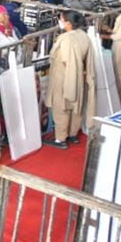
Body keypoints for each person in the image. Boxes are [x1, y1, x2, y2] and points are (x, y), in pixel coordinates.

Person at [45, 11, 96, 149]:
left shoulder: (66, 39)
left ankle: (60, 139)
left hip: (64, 77)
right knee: (75, 107)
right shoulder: (83, 36)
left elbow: (68, 61)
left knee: (61, 108)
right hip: (78, 77)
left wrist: (72, 74)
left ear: (68, 23)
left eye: (61, 19)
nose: (59, 21)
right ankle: (73, 134)